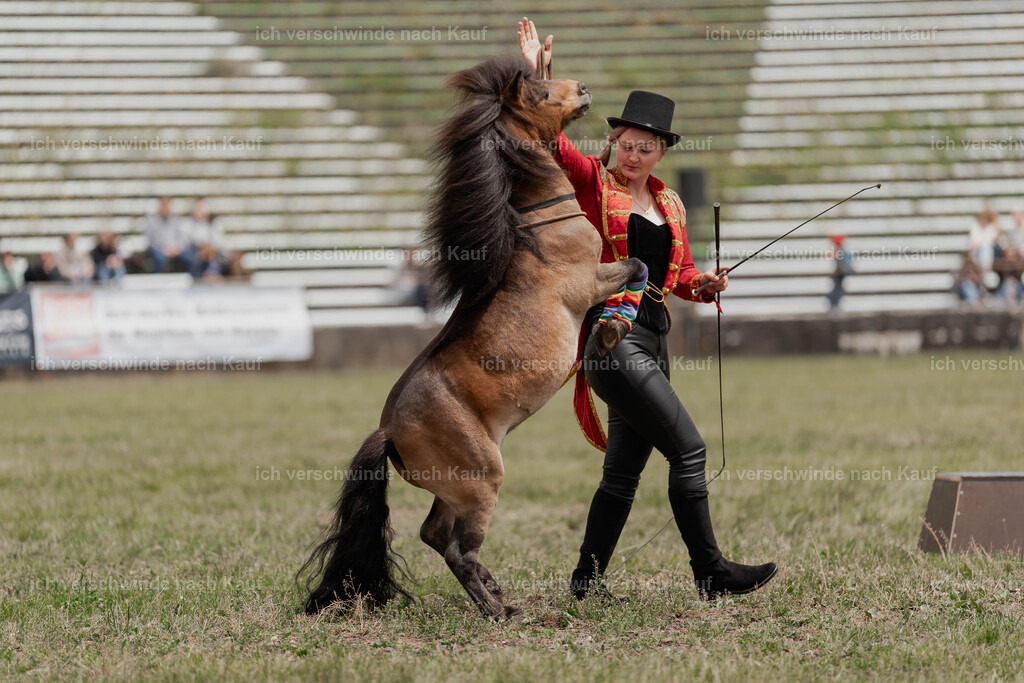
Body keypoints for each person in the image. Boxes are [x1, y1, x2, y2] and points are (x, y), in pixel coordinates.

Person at [518, 18, 777, 601]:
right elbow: (551, 140)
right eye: (625, 144)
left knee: (621, 475)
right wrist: (542, 79)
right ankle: (710, 572)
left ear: (661, 151)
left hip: (654, 342)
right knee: (689, 450)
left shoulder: (670, 202)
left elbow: (676, 277)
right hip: (613, 342)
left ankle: (585, 584)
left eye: (645, 147)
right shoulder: (594, 184)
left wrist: (702, 285)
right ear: (614, 144)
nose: (632, 155)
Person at [144, 195, 195, 274]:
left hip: (175, 250)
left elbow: (181, 237)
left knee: (189, 256)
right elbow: (151, 241)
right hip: (160, 250)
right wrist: (165, 249)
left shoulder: (174, 220)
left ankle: (191, 280)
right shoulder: (152, 221)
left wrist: (177, 247)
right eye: (163, 205)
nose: (165, 208)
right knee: (158, 258)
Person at [183, 197, 226, 279]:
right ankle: (210, 273)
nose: (199, 211)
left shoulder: (214, 224)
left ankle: (211, 272)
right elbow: (190, 242)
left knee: (212, 254)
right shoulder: (188, 224)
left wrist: (209, 247)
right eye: (198, 208)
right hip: (195, 255)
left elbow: (219, 243)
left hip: (212, 255)